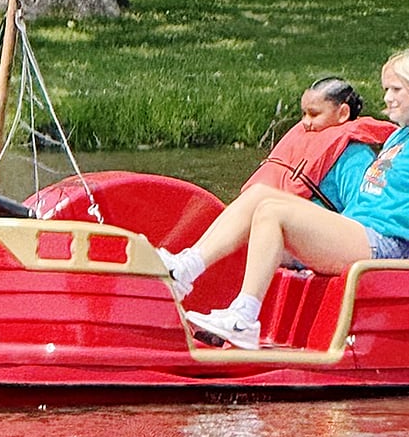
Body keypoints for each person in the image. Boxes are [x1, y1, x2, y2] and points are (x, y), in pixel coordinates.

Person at [185, 47, 409, 350]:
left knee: (272, 213)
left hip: (384, 243)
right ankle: (186, 268)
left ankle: (243, 319)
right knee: (261, 197)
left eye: (397, 89)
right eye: (387, 88)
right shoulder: (404, 135)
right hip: (357, 231)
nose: (387, 97)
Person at [158, 76, 396, 299]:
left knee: (256, 222)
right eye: (303, 114)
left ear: (343, 113)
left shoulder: (354, 157)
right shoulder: (307, 143)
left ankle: (192, 276)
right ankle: (186, 266)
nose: (305, 122)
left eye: (314, 114)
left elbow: (357, 216)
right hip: (284, 233)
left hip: (320, 245)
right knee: (254, 200)